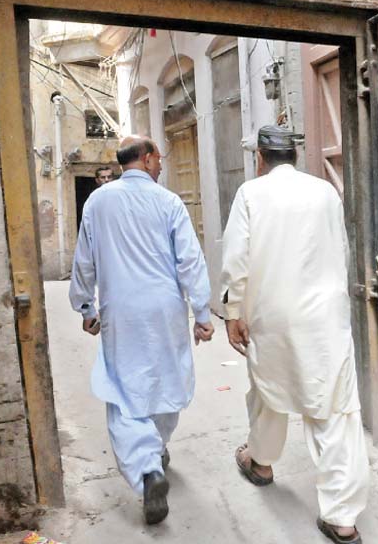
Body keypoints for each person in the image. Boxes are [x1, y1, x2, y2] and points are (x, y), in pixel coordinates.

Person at [220, 125, 369, 544]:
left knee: (267, 391)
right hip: (325, 318)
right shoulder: (325, 193)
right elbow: (339, 248)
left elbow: (236, 258)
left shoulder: (251, 194)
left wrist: (233, 311)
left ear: (261, 158)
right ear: (295, 158)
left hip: (274, 315)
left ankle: (261, 463)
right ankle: (342, 519)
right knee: (335, 410)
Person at [70, 135, 214, 525]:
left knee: (124, 389)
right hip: (165, 308)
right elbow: (190, 260)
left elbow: (84, 260)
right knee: (166, 380)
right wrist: (202, 312)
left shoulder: (97, 202)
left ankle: (148, 465)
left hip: (122, 311)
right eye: (160, 159)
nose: (162, 165)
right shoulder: (168, 202)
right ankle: (157, 448)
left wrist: (85, 305)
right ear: (148, 159)